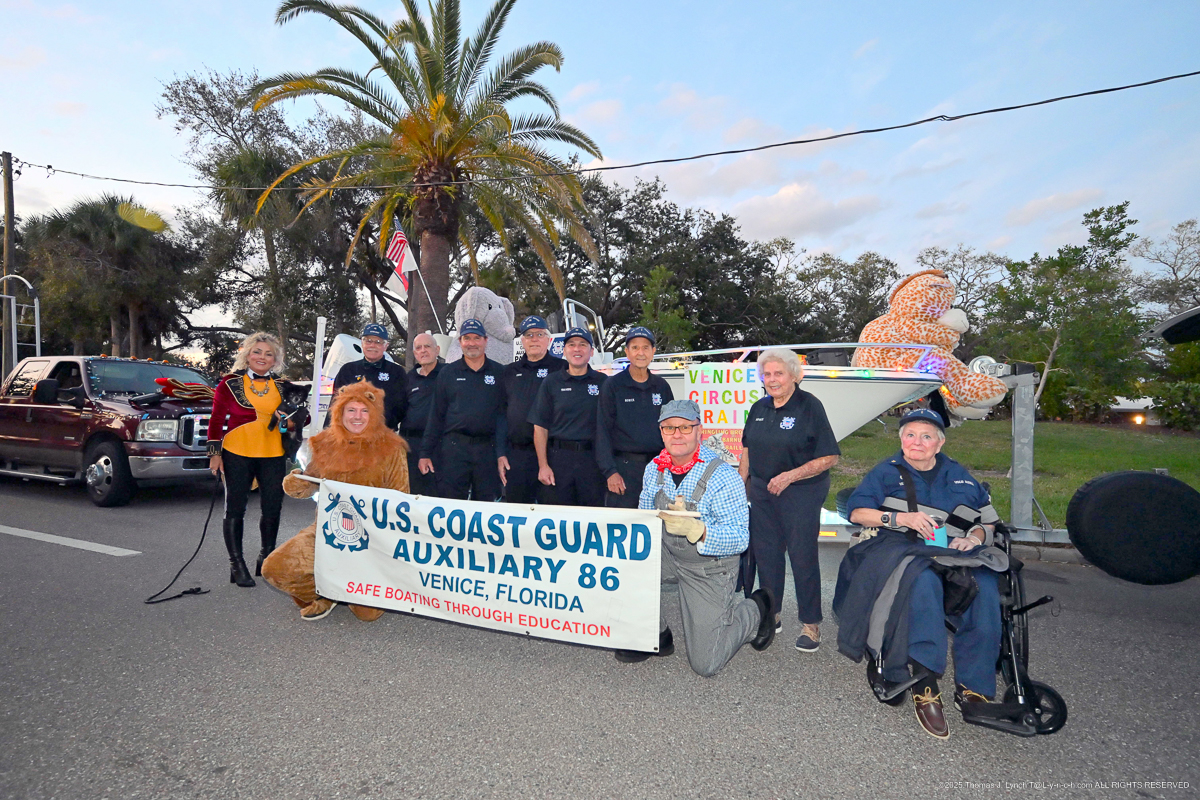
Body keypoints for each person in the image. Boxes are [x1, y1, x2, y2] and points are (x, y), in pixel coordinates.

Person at [840, 408, 1002, 740]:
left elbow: (988, 523)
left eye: (926, 436)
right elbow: (857, 511)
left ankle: (975, 688)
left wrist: (973, 537)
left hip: (953, 553)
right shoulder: (886, 472)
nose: (917, 442)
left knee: (985, 586)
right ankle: (925, 679)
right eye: (910, 435)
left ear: (939, 444)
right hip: (900, 547)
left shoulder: (961, 476)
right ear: (901, 440)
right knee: (922, 580)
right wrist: (900, 519)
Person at [613, 399, 775, 675]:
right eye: (669, 428)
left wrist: (700, 531)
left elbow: (739, 538)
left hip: (710, 566)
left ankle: (757, 609)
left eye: (685, 427)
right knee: (622, 564)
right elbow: (643, 515)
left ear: (699, 430)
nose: (677, 434)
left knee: (706, 664)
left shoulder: (724, 476)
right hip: (668, 552)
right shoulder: (655, 468)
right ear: (661, 432)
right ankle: (656, 634)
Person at [262, 381, 410, 621]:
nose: (358, 417)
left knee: (368, 614)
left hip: (372, 538)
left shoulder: (392, 448)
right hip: (327, 529)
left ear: (374, 414)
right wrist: (296, 483)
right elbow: (309, 482)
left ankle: (348, 586)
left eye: (364, 411)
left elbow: (400, 500)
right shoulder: (324, 443)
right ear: (340, 412)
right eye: (351, 410)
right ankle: (326, 594)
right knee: (275, 569)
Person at [739, 348, 840, 652]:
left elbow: (830, 456)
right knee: (766, 552)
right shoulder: (759, 407)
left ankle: (811, 625)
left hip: (801, 490)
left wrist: (789, 476)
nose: (772, 380)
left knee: (801, 554)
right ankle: (772, 613)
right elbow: (747, 451)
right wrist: (741, 486)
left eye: (778, 373)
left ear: (794, 375)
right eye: (767, 374)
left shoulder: (810, 407)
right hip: (762, 491)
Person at [207, 332, 292, 588]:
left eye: (268, 353)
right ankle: (237, 563)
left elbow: (299, 420)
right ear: (247, 355)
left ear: (275, 359)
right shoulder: (229, 384)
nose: (262, 357)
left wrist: (291, 418)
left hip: (273, 453)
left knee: (272, 507)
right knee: (235, 507)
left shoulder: (284, 386)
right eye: (257, 352)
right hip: (237, 451)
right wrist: (215, 454)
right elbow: (216, 420)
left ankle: (266, 559)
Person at [419, 319, 507, 501]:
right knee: (451, 504)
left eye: (477, 338)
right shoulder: (448, 373)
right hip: (454, 449)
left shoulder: (499, 373)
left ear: (485, 340)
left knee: (485, 505)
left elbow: (503, 417)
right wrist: (425, 453)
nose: (472, 343)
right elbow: (436, 415)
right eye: (467, 338)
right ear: (460, 342)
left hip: (487, 449)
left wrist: (501, 453)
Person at [595, 327, 674, 509]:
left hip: (657, 468)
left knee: (658, 525)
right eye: (635, 347)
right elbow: (602, 431)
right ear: (627, 352)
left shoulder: (662, 387)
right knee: (622, 527)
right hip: (623, 470)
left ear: (653, 352)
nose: (641, 353)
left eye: (646, 348)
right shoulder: (613, 385)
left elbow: (671, 429)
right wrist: (610, 472)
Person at [529, 327, 607, 506]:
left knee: (591, 518)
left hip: (592, 461)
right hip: (558, 461)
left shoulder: (603, 383)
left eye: (582, 345)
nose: (577, 349)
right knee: (558, 520)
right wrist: (543, 465)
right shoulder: (551, 382)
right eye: (571, 345)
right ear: (564, 351)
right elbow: (540, 427)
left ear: (591, 351)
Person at [500, 316, 567, 503]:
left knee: (552, 514)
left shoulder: (562, 369)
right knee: (518, 516)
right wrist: (501, 452)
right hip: (518, 455)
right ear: (522, 341)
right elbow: (501, 415)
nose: (534, 339)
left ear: (549, 339)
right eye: (529, 335)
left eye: (539, 334)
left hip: (554, 454)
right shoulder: (509, 372)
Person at [327, 323, 407, 431]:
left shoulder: (397, 372)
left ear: (386, 346)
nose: (372, 345)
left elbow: (400, 407)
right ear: (362, 342)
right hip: (350, 435)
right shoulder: (348, 370)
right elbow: (336, 404)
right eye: (368, 341)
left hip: (383, 435)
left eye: (378, 342)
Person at [401, 332, 443, 496]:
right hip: (411, 446)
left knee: (437, 496)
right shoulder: (409, 378)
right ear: (414, 353)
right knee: (413, 495)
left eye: (428, 346)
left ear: (437, 350)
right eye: (418, 348)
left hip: (439, 446)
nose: (423, 351)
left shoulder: (448, 374)